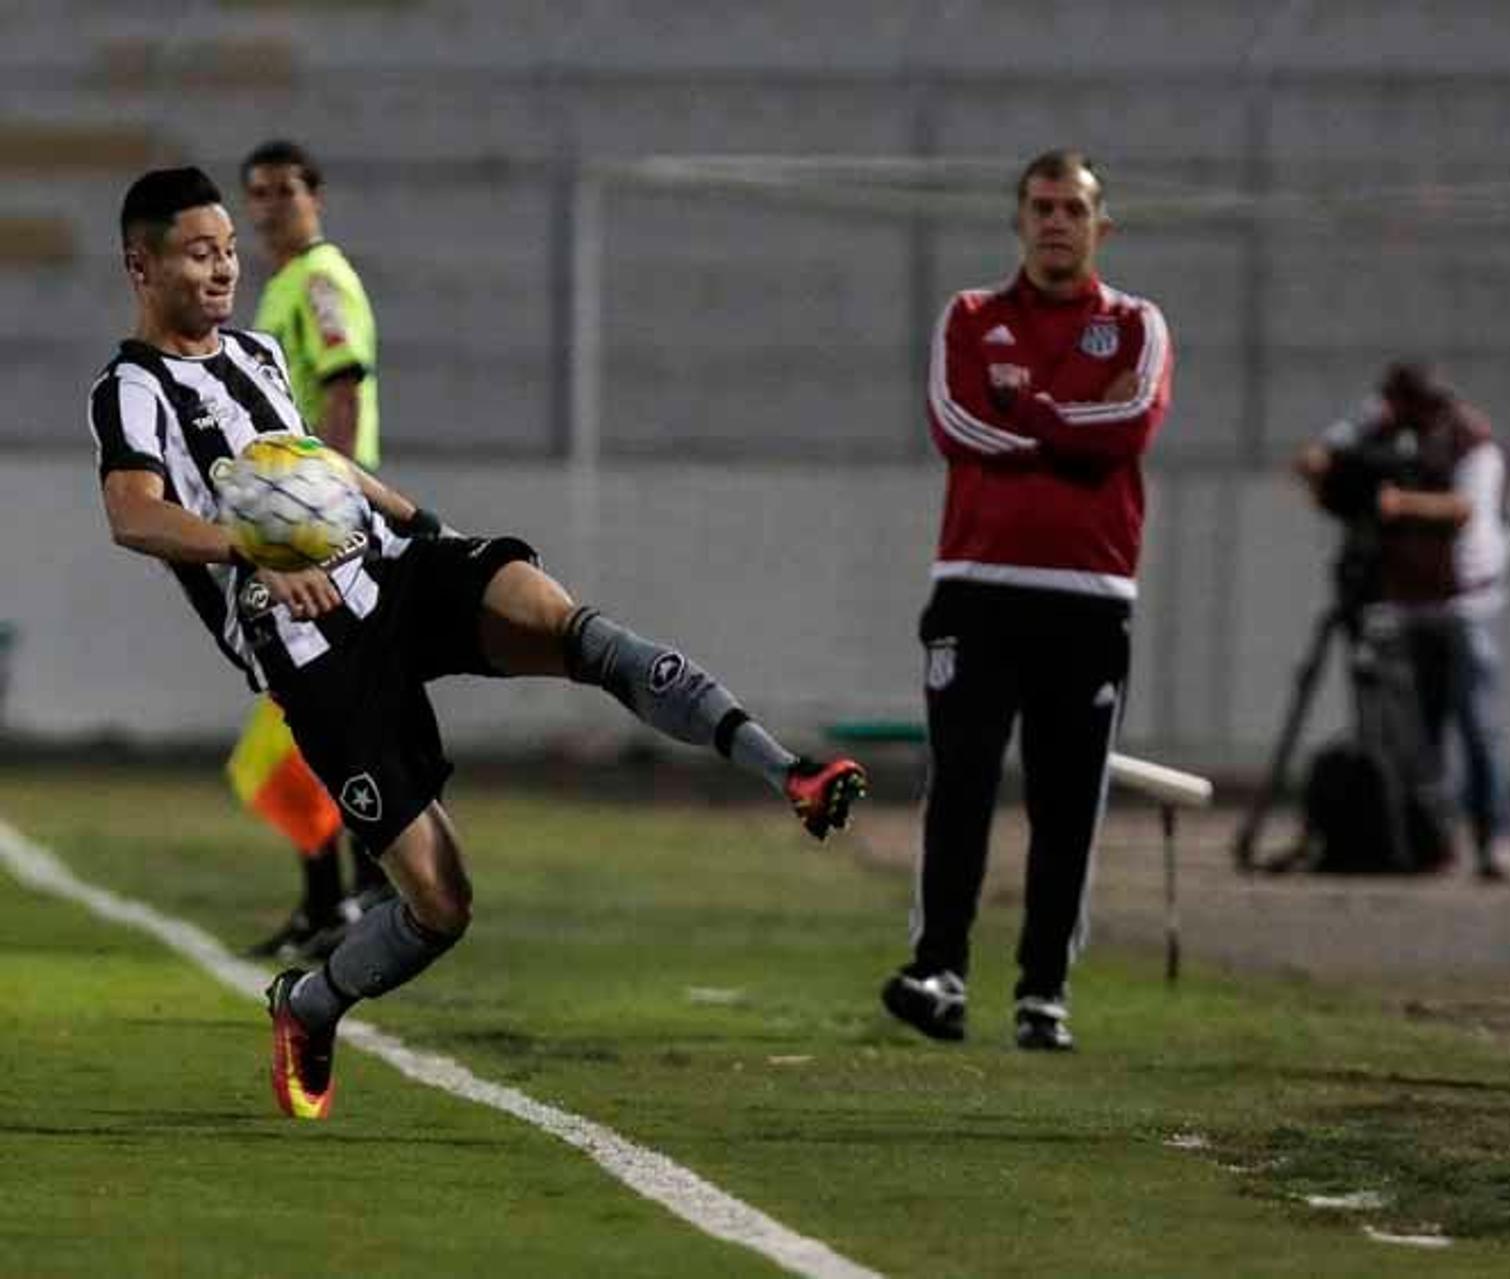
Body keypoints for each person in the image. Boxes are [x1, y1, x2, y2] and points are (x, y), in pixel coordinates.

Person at [89, 167, 868, 1120]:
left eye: (228, 250)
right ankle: (311, 1003)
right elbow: (134, 514)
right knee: (441, 904)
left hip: (395, 575)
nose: (223, 270)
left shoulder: (256, 352)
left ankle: (788, 769)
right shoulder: (132, 389)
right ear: (141, 263)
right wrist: (250, 547)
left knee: (567, 623)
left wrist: (423, 521)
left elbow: (319, 465)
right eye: (199, 252)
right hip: (313, 655)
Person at [880, 150, 1173, 1051]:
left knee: (1067, 801)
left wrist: (1029, 411)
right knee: (960, 786)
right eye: (1042, 207)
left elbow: (1133, 426)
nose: (1056, 222)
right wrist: (1071, 421)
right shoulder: (970, 317)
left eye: (1073, 209)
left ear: (1100, 227)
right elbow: (954, 424)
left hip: (1089, 596)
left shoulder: (1136, 326)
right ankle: (940, 970)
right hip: (976, 588)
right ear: (1019, 220)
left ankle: (1043, 992)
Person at [234, 139, 388, 960]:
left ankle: (362, 892)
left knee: (318, 715)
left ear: (315, 195)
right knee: (303, 719)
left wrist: (326, 511)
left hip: (319, 529)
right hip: (289, 524)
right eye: (256, 192)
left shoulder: (321, 280)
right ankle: (336, 898)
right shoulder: (287, 286)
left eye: (283, 189)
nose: (269, 205)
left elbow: (342, 383)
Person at [1294, 362, 1510, 880]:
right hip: (1404, 598)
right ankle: (1433, 836)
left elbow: (1463, 509)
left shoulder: (1469, 439)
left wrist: (1398, 502)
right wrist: (1333, 469)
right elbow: (1318, 458)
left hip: (1466, 602)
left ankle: (1496, 837)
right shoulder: (1380, 425)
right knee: (1419, 733)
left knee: (1478, 725)